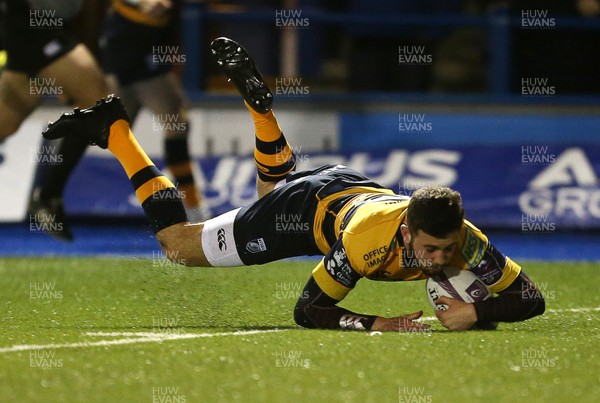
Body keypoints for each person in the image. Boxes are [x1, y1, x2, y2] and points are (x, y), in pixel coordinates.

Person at [42, 37, 545, 332]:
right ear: (409, 231)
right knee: (178, 246)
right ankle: (116, 131)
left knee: (271, 194)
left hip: (346, 189)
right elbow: (309, 310)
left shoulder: (466, 239)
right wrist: (379, 324)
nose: (439, 260)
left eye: (447, 249)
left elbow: (531, 298)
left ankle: (262, 114)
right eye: (432, 249)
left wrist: (475, 311)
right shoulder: (367, 244)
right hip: (316, 214)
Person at [0, 0, 110, 241]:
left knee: (5, 122)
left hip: (34, 28)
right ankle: (49, 195)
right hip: (34, 28)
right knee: (100, 104)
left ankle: (49, 196)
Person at [101, 0, 210, 221]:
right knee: (104, 133)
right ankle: (50, 193)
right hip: (118, 60)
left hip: (148, 67)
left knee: (177, 126)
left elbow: (166, 21)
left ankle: (192, 205)